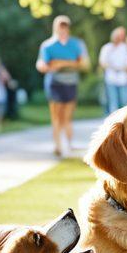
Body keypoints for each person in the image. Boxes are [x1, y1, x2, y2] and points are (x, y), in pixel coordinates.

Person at [36, 15, 89, 157]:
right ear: (55, 28)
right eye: (60, 26)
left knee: (67, 116)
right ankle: (57, 146)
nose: (63, 29)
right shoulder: (48, 45)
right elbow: (42, 65)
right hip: (55, 83)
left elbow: (84, 63)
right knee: (56, 116)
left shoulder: (77, 44)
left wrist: (61, 63)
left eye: (65, 26)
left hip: (71, 83)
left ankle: (69, 144)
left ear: (68, 28)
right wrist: (52, 65)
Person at [98, 26, 127, 113]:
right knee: (113, 103)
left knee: (126, 103)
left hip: (124, 80)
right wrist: (113, 67)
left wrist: (124, 68)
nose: (118, 37)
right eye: (117, 35)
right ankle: (114, 124)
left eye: (121, 35)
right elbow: (102, 63)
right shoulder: (106, 48)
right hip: (111, 80)